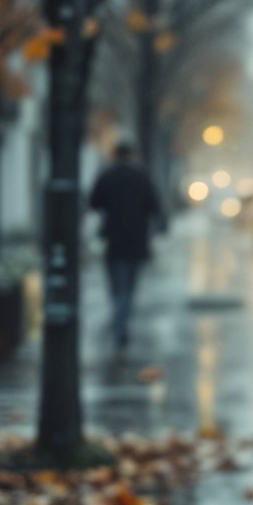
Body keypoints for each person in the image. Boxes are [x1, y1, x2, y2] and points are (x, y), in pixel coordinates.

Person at [87, 141, 166, 354]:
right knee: (129, 287)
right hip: (136, 240)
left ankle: (118, 322)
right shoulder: (141, 177)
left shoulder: (107, 176)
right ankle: (121, 324)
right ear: (132, 155)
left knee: (117, 286)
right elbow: (155, 206)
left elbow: (93, 202)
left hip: (114, 240)